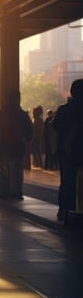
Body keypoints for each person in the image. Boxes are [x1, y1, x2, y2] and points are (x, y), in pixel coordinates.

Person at [0, 90, 33, 200]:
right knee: (18, 169)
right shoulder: (22, 114)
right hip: (18, 147)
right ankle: (17, 191)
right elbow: (29, 132)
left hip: (3, 147)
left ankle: (3, 190)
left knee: (3, 168)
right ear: (18, 99)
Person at [53, 78, 83, 222]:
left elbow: (56, 127)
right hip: (79, 151)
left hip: (66, 151)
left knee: (66, 181)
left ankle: (63, 210)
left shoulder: (64, 109)